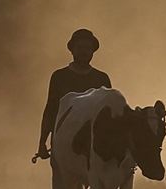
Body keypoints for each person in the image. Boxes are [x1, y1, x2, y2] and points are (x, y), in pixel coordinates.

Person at [35, 28, 111, 162]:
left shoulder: (101, 79)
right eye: (80, 47)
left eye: (88, 48)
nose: (84, 51)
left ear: (93, 51)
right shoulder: (59, 77)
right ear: (72, 50)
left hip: (93, 146)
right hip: (63, 142)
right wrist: (42, 143)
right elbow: (51, 110)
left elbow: (109, 114)